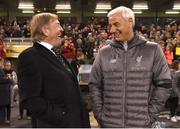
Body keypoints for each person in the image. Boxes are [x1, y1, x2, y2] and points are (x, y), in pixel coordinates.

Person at [89, 6, 171, 128]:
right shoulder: (103, 53)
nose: (111, 30)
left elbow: (164, 85)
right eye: (110, 25)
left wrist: (150, 116)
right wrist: (100, 115)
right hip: (110, 124)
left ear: (130, 22)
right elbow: (94, 84)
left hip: (141, 125)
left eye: (116, 24)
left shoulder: (153, 50)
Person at [17, 13, 90, 128]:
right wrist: (63, 117)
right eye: (58, 25)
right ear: (45, 30)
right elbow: (30, 100)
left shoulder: (57, 54)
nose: (61, 29)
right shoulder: (30, 57)